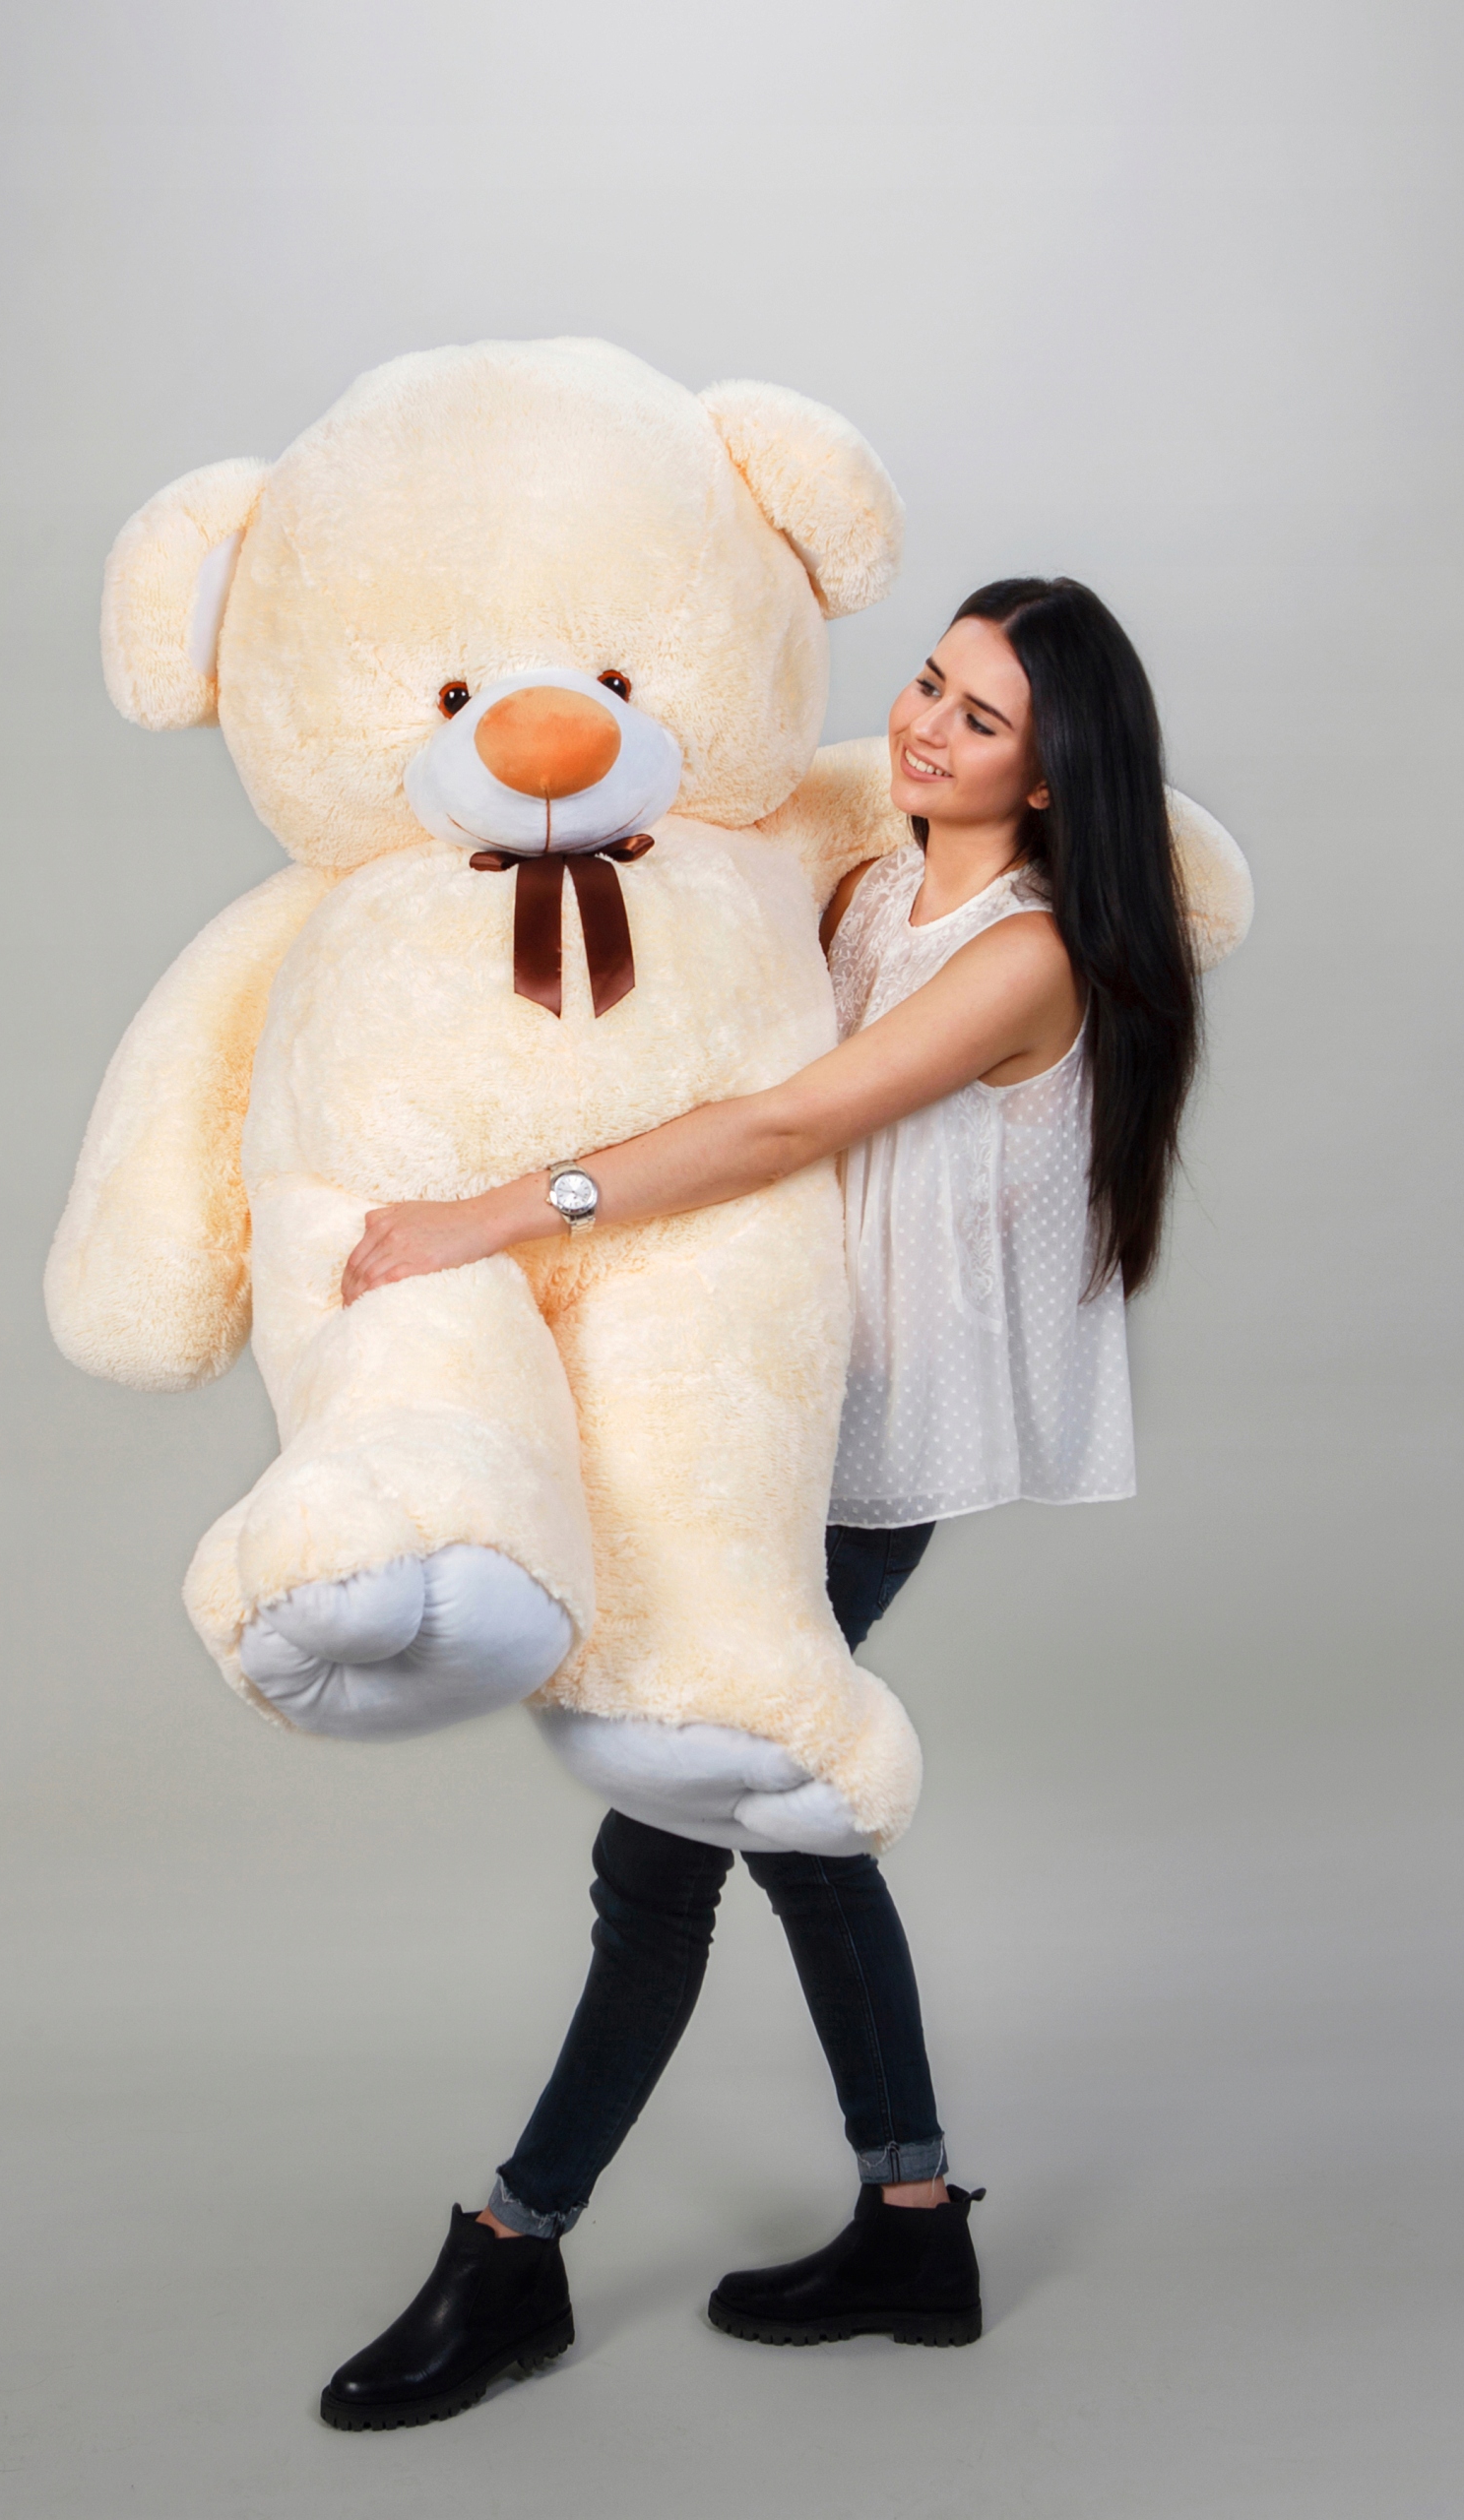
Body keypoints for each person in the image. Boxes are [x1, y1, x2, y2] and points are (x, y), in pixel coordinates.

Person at [317, 579, 1203, 2431]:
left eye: (978, 720)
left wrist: (493, 1215)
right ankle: (911, 2225)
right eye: (927, 684)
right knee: (781, 1822)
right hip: (756, 1413)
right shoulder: (868, 883)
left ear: (1053, 777)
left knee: (666, 1841)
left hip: (860, 1449)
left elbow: (785, 1125)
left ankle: (513, 2247)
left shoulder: (1025, 953)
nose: (923, 729)